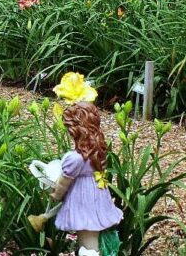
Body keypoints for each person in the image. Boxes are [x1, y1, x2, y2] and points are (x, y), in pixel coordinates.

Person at [51, 102, 123, 256]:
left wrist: (56, 195)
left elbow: (64, 182)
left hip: (83, 200)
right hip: (97, 193)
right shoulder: (98, 150)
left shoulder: (76, 158)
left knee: (87, 239)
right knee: (91, 235)